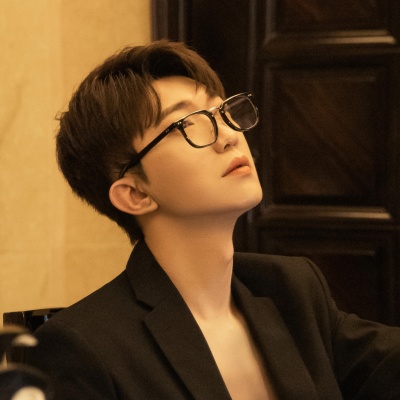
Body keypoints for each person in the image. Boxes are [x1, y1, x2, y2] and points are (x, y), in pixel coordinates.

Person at [25, 40, 400, 399]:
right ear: (135, 194)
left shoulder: (290, 289)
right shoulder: (81, 348)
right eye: (188, 123)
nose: (229, 136)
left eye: (223, 112)